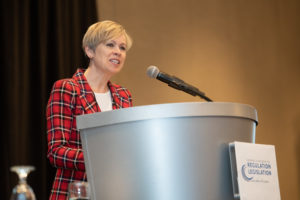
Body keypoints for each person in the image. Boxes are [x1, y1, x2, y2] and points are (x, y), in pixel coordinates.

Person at [46, 20, 133, 200]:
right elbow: (56, 151)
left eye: (123, 47)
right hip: (75, 193)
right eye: (110, 44)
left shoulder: (124, 95)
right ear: (89, 51)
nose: (118, 51)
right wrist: (100, 157)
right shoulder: (67, 89)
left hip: (114, 192)